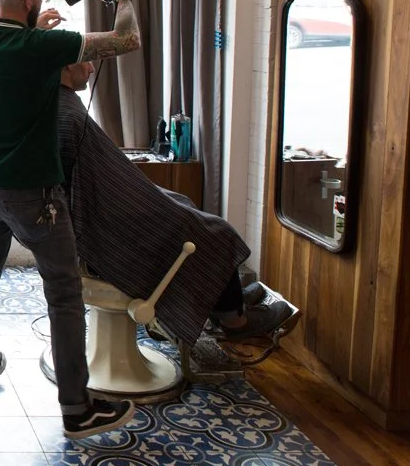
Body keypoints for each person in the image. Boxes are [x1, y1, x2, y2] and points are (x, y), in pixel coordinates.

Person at [0, 0, 141, 440]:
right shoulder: (43, 48)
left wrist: (35, 29)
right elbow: (126, 41)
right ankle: (78, 409)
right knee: (64, 295)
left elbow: (13, 55)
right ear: (28, 2)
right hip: (35, 195)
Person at [56, 61, 297, 347]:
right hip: (103, 225)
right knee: (215, 231)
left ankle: (222, 298)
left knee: (184, 204)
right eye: (87, 60)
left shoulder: (62, 105)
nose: (93, 68)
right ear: (68, 65)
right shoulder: (69, 114)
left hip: (94, 217)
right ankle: (235, 321)